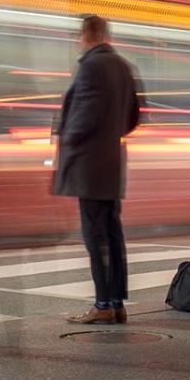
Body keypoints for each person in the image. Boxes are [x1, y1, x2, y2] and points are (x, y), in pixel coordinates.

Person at [53, 16, 141, 323]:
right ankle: (116, 302)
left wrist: (68, 140)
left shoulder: (91, 66)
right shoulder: (123, 66)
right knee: (113, 235)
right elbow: (133, 117)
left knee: (95, 236)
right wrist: (109, 136)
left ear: (87, 35)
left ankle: (103, 304)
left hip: (89, 165)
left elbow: (85, 113)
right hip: (111, 162)